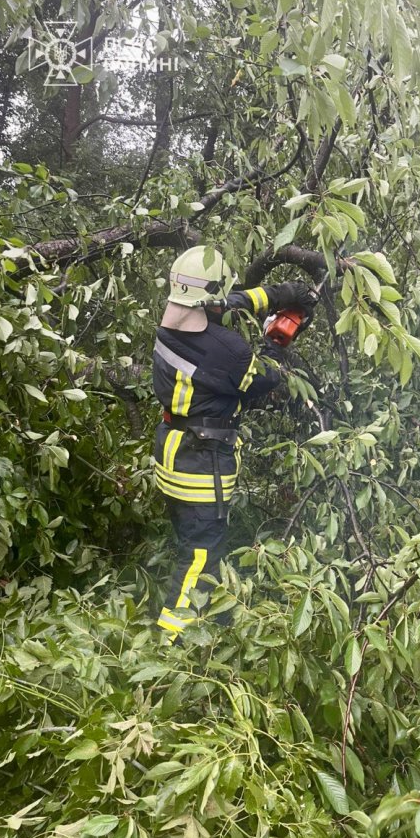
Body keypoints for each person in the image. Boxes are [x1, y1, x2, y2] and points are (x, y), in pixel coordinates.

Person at [152, 245, 317, 643]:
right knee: (200, 553)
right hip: (201, 463)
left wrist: (284, 293)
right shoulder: (227, 351)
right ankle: (170, 641)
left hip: (172, 451)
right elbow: (269, 377)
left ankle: (201, 616)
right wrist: (278, 341)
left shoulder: (171, 325)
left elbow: (234, 302)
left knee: (190, 538)